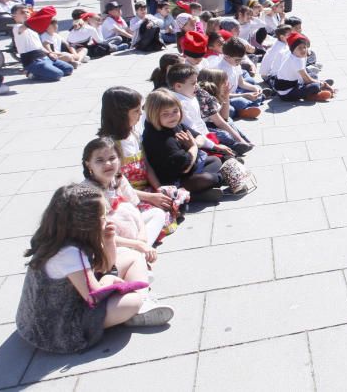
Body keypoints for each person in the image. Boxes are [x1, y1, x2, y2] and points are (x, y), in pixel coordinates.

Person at [15, 183, 173, 354]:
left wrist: (109, 241)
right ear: (86, 223)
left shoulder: (62, 234)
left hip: (68, 300)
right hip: (58, 328)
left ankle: (140, 305)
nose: (107, 219)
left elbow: (106, 265)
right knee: (132, 301)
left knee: (132, 256)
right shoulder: (69, 253)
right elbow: (93, 297)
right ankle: (136, 306)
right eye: (103, 216)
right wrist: (109, 280)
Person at [82, 136, 167, 254]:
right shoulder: (88, 192)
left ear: (119, 160)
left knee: (158, 214)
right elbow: (99, 234)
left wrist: (142, 233)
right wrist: (137, 244)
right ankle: (138, 253)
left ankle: (141, 251)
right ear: (89, 165)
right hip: (107, 238)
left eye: (112, 158)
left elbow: (135, 209)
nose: (107, 164)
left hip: (129, 227)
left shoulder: (119, 179)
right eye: (99, 160)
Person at [142, 88, 226, 197]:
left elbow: (198, 136)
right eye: (165, 113)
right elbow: (185, 168)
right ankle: (204, 189)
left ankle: (201, 191)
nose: (172, 116)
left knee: (215, 160)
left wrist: (194, 144)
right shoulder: (158, 138)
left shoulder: (173, 124)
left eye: (175, 111)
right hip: (174, 181)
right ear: (153, 114)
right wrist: (193, 147)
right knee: (208, 178)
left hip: (190, 166)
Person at [195, 68, 255, 154]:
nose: (227, 84)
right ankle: (234, 146)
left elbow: (224, 117)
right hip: (204, 128)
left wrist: (226, 95)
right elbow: (221, 121)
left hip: (214, 123)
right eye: (224, 81)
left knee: (229, 121)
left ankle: (244, 141)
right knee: (224, 134)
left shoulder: (216, 93)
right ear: (216, 82)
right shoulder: (205, 97)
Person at [13, 5, 75, 82]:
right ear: (14, 16)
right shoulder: (16, 28)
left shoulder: (32, 29)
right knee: (58, 74)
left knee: (69, 69)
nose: (26, 14)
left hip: (44, 57)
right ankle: (31, 74)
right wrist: (39, 16)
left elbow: (39, 46)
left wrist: (49, 53)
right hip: (32, 61)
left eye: (27, 12)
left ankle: (45, 70)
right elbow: (22, 28)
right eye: (22, 12)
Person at [271, 33, 335, 102]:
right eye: (299, 48)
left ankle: (314, 91)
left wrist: (319, 82)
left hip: (295, 84)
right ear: (293, 50)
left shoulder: (297, 56)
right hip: (286, 94)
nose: (303, 50)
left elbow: (305, 74)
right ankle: (311, 96)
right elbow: (307, 80)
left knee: (314, 75)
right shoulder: (296, 61)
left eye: (304, 47)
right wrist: (322, 84)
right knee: (315, 86)